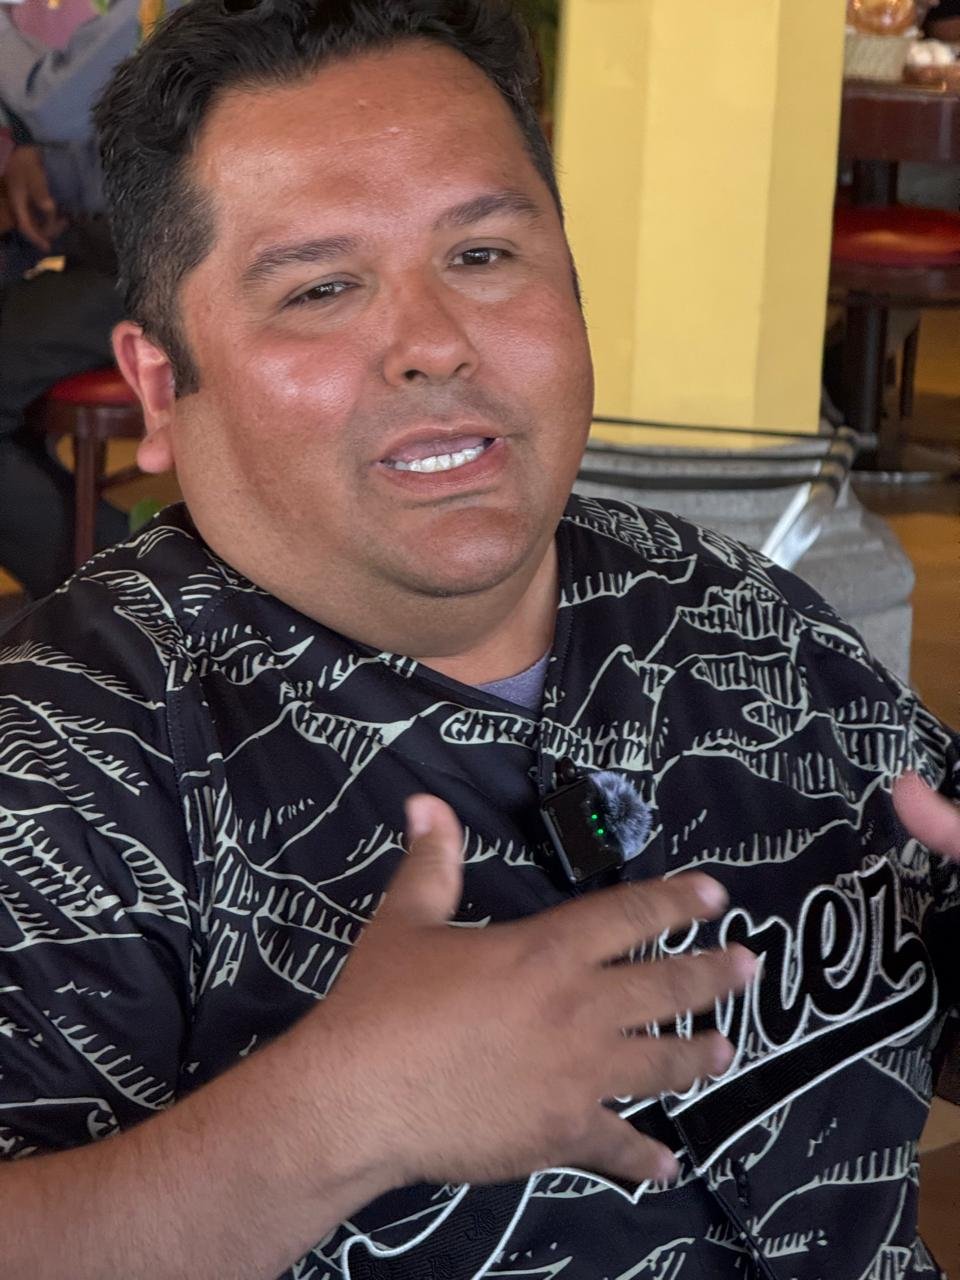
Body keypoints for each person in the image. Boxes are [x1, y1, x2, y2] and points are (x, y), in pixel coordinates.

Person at [0, 1, 957, 1277]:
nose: (434, 344)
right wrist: (327, 1119)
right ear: (162, 385)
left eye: (485, 253)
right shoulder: (65, 758)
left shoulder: (740, 611)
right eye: (321, 287)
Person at [0, 0, 158, 598]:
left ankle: (135, 597)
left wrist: (44, 165)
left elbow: (52, 101)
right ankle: (131, 585)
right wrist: (43, 169)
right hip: (110, 249)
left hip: (163, 266)